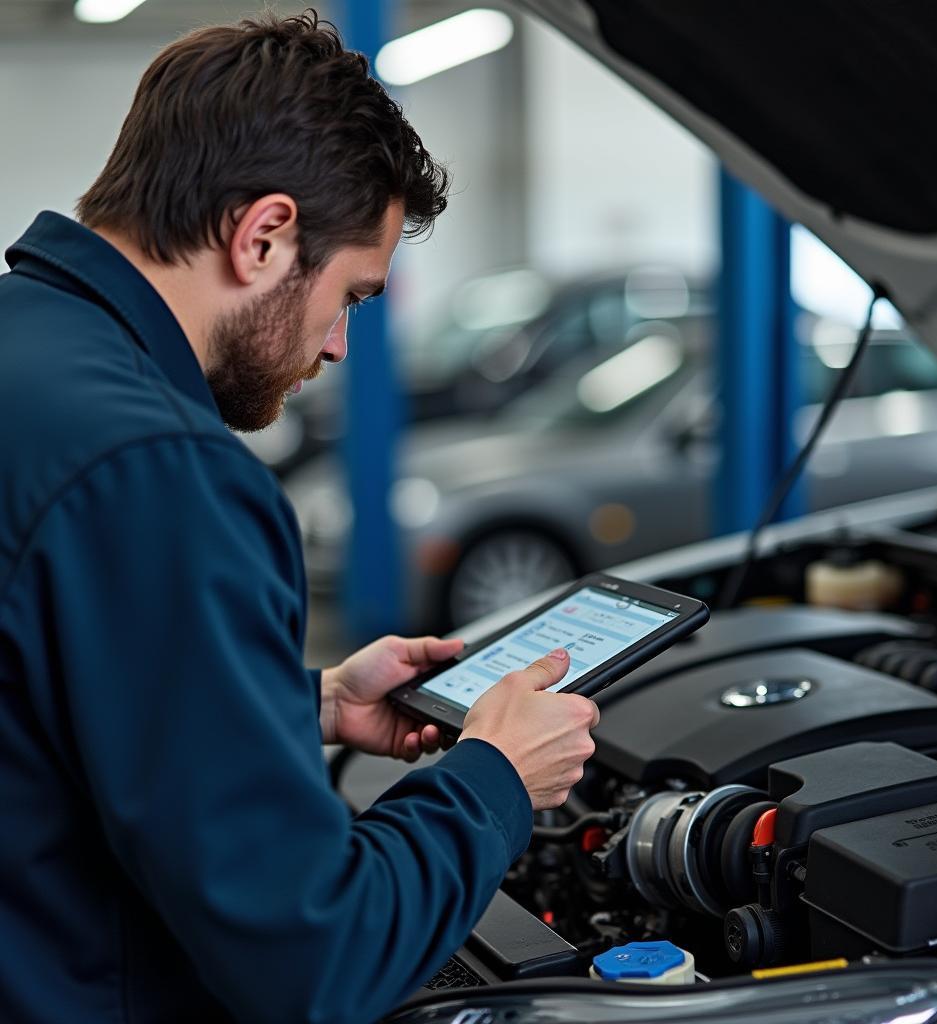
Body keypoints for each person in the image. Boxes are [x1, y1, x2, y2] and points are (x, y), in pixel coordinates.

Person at [0, 11, 599, 1024]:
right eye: (351, 297)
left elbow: (55, 694)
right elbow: (315, 959)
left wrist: (302, 701)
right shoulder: (164, 471)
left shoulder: (27, 353)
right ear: (264, 234)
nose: (336, 349)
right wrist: (496, 779)